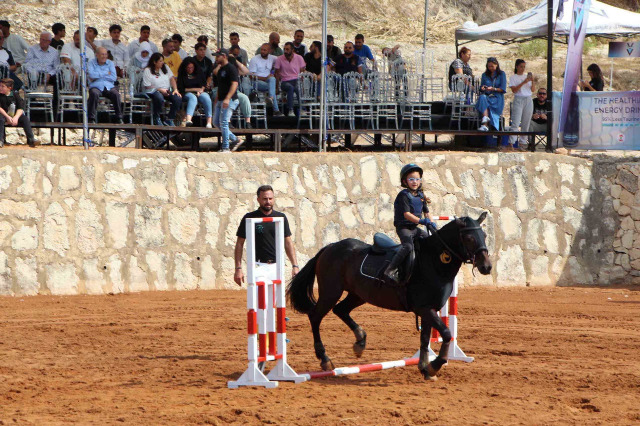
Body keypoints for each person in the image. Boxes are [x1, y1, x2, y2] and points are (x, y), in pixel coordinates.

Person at [234, 185, 299, 286]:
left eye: (270, 198)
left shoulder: (281, 218)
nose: (268, 201)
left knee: (276, 300)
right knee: (260, 299)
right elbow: (239, 243)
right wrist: (238, 268)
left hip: (277, 266)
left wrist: (295, 265)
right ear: (258, 200)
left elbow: (288, 242)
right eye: (264, 199)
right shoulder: (249, 218)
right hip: (258, 266)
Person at [383, 164, 434, 285]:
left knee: (429, 240)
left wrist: (431, 223)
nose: (415, 182)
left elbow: (427, 212)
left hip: (414, 228)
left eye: (417, 179)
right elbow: (406, 214)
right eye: (411, 179)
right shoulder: (404, 195)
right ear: (405, 181)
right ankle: (390, 270)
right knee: (408, 246)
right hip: (404, 228)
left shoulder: (421, 195)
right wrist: (421, 221)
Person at [143, 52, 182, 126]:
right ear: (154, 62)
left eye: (162, 61)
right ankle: (156, 117)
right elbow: (147, 86)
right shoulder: (147, 70)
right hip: (153, 91)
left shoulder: (165, 67)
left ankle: (170, 118)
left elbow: (172, 78)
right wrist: (160, 89)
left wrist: (175, 89)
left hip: (166, 90)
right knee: (159, 98)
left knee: (177, 98)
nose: (162, 63)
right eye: (160, 61)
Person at [87, 47, 123, 124]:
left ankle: (119, 117)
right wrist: (106, 73)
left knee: (116, 94)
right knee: (94, 93)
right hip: (96, 86)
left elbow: (113, 77)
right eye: (102, 54)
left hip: (109, 86)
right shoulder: (91, 62)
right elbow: (91, 75)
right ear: (97, 55)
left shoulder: (110, 63)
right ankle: (91, 118)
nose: (104, 56)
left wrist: (98, 75)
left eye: (105, 54)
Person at [212, 48, 239, 152]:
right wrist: (217, 100)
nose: (216, 58)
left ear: (224, 56)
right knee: (216, 122)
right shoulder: (220, 70)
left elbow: (234, 84)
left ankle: (226, 147)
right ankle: (235, 139)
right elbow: (220, 86)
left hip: (230, 99)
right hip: (221, 99)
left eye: (218, 56)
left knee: (223, 122)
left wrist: (227, 98)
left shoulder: (231, 68)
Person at [0, 78, 37, 148]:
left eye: (2, 86)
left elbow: (20, 108)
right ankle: (0, 140)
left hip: (14, 116)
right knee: (0, 120)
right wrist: (7, 117)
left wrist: (16, 118)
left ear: (9, 88)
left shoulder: (15, 94)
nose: (0, 88)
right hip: (4, 115)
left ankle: (31, 139)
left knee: (25, 119)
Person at [177, 57, 212, 128]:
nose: (190, 69)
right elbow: (182, 89)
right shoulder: (182, 74)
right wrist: (195, 89)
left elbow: (203, 84)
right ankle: (189, 119)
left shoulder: (198, 72)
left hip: (199, 92)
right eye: (188, 68)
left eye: (192, 67)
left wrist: (201, 90)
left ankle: (209, 121)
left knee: (206, 98)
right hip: (187, 93)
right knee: (192, 98)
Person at [248, 43, 281, 116]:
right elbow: (251, 76)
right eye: (261, 49)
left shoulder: (272, 58)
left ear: (269, 51)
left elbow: (281, 59)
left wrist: (275, 72)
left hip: (268, 81)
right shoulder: (254, 59)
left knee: (272, 79)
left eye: (265, 50)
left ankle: (271, 98)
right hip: (256, 82)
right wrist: (265, 78)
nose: (262, 51)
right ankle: (276, 110)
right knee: (271, 87)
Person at [508, 59, 534, 148]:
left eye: (524, 67)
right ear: (517, 67)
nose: (523, 69)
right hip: (519, 98)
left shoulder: (527, 77)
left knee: (526, 122)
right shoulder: (513, 77)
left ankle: (523, 143)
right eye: (521, 67)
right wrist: (523, 82)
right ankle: (511, 142)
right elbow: (514, 90)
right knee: (515, 122)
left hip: (528, 99)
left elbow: (533, 90)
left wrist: (532, 80)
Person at [475, 57, 506, 132]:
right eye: (489, 66)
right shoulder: (484, 75)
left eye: (492, 66)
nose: (490, 68)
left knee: (484, 103)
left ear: (496, 65)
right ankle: (485, 120)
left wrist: (493, 89)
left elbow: (503, 89)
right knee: (482, 97)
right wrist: (482, 88)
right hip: (487, 97)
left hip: (497, 98)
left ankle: (485, 124)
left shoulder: (501, 74)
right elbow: (481, 87)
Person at [275, 42, 306, 117]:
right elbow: (277, 74)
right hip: (285, 80)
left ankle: (302, 109)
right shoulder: (279, 59)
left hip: (296, 79)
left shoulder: (299, 58)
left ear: (292, 50)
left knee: (298, 88)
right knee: (290, 87)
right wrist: (276, 87)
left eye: (287, 49)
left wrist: (303, 84)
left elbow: (302, 72)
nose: (285, 51)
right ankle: (290, 110)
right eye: (284, 49)